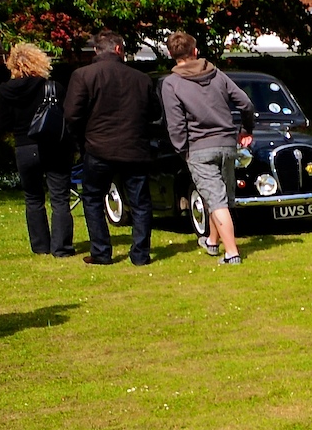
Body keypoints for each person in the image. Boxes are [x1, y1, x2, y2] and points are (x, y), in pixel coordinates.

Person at [158, 31, 254, 265]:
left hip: (199, 147)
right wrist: (246, 129)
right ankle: (212, 241)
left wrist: (183, 150)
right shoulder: (217, 74)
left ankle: (232, 253)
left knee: (216, 200)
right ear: (195, 51)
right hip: (226, 144)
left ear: (171, 55)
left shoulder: (171, 83)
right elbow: (246, 103)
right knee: (217, 195)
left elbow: (176, 124)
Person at [62, 30, 156, 266]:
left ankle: (102, 251)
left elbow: (72, 115)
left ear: (96, 50)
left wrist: (82, 141)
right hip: (134, 148)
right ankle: (140, 254)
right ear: (118, 49)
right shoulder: (141, 79)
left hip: (98, 147)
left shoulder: (83, 75)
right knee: (140, 202)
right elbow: (155, 113)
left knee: (93, 198)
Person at [0, 42, 75, 257]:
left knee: (33, 198)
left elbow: (1, 124)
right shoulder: (52, 87)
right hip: (53, 146)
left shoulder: (5, 91)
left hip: (24, 146)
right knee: (59, 199)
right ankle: (62, 248)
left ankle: (40, 246)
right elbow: (67, 117)